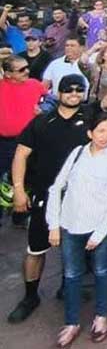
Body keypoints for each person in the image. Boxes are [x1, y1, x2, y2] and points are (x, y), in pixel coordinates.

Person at [7, 73, 91, 325]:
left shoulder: (91, 119)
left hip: (79, 197)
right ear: (59, 92)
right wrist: (19, 190)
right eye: (68, 89)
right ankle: (30, 297)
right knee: (35, 249)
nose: (74, 93)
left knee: (75, 245)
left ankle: (68, 287)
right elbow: (21, 155)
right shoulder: (41, 122)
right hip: (44, 195)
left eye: (79, 89)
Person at [46, 113, 107, 347]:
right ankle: (72, 322)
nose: (105, 136)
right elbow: (57, 187)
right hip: (71, 224)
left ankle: (101, 317)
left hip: (100, 225)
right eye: (100, 131)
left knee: (102, 270)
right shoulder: (78, 153)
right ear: (90, 133)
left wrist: (99, 234)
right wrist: (54, 225)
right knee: (72, 274)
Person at [0, 56, 47, 225]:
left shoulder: (35, 84)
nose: (26, 71)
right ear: (7, 74)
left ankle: (21, 216)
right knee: (4, 179)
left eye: (26, 67)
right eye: (20, 69)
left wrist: (43, 110)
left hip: (32, 141)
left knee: (28, 178)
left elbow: (50, 101)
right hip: (6, 143)